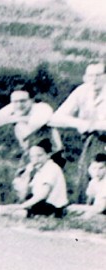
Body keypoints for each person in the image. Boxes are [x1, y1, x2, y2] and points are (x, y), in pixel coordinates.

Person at [50, 62, 106, 201]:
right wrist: (81, 123)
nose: (94, 79)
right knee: (89, 171)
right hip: (92, 140)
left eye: (98, 75)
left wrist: (95, 125)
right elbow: (56, 118)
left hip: (101, 137)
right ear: (85, 77)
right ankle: (85, 204)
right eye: (90, 75)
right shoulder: (82, 91)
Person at [0, 139, 68, 218]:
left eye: (39, 155)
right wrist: (27, 173)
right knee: (0, 209)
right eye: (32, 156)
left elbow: (42, 195)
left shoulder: (52, 168)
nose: (35, 159)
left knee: (17, 213)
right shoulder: (38, 170)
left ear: (48, 155)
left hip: (53, 207)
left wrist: (21, 206)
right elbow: (22, 195)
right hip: (39, 204)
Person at [0, 89, 62, 158]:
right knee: (19, 125)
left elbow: (35, 124)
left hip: (53, 151)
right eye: (15, 101)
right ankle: (27, 154)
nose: (19, 105)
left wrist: (11, 119)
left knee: (21, 125)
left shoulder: (42, 107)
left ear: (32, 100)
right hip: (31, 151)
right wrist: (13, 117)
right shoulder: (15, 107)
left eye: (23, 101)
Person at [67, 153, 106, 219]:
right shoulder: (94, 181)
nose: (97, 172)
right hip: (98, 209)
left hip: (102, 210)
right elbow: (89, 199)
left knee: (86, 215)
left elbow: (100, 208)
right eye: (94, 168)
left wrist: (77, 207)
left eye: (101, 168)